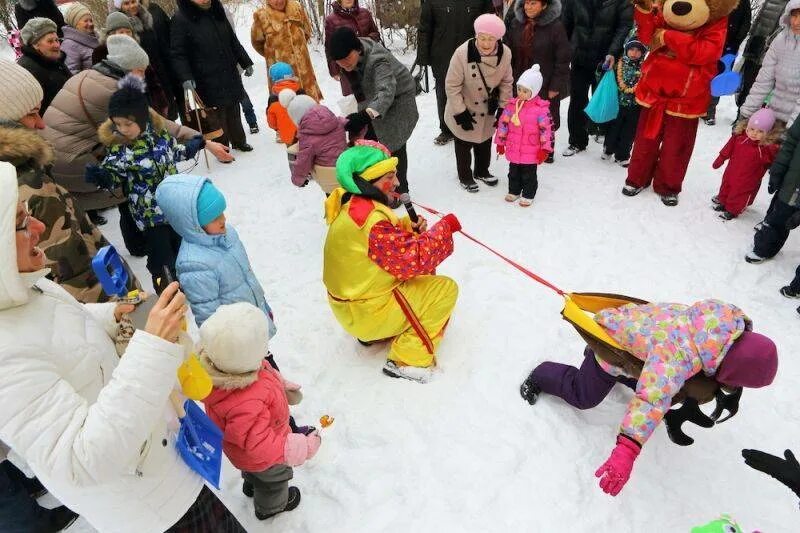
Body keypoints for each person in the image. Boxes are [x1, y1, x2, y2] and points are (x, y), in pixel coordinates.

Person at [0, 162, 247, 533]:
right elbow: (80, 459)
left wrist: (113, 315)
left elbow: (63, 325)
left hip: (160, 461)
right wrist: (153, 346)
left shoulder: (22, 288)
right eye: (20, 222)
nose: (38, 228)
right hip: (150, 506)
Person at [520, 299, 778, 496]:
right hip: (612, 349)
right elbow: (651, 400)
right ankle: (543, 375)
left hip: (638, 331)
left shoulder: (723, 321)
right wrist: (627, 450)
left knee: (673, 386)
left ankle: (633, 370)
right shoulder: (676, 357)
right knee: (583, 395)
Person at [42, 35, 231, 246]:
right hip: (74, 163)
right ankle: (142, 242)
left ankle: (137, 241)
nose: (143, 77)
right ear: (126, 67)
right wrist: (203, 140)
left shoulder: (91, 74)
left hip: (53, 157)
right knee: (134, 176)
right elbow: (158, 123)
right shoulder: (114, 90)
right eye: (140, 71)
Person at [0, 57, 139, 304]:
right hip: (105, 306)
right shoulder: (28, 186)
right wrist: (123, 312)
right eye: (32, 115)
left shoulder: (22, 172)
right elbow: (73, 274)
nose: (42, 124)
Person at [322, 142, 460, 383]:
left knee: (423, 279)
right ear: (369, 180)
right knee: (445, 289)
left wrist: (407, 227)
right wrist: (445, 228)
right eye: (389, 176)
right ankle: (408, 359)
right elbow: (415, 259)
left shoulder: (352, 203)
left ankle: (375, 334)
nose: (396, 183)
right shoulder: (371, 221)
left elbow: (377, 243)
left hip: (353, 308)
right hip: (367, 312)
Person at [199, 303, 320, 520]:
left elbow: (264, 371)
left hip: (242, 451)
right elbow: (259, 448)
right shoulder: (245, 401)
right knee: (274, 480)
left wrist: (280, 385)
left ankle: (252, 485)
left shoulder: (226, 369)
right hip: (263, 455)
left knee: (255, 472)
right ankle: (270, 506)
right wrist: (301, 447)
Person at [86, 75, 206, 292]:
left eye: (128, 123)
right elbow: (113, 173)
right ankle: (167, 292)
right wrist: (103, 177)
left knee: (181, 248)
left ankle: (187, 283)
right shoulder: (121, 149)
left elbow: (172, 153)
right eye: (118, 124)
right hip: (150, 217)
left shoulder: (160, 136)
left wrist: (190, 148)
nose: (123, 129)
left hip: (173, 207)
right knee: (161, 259)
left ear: (142, 119)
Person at [156, 175, 278, 335]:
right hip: (236, 338)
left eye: (222, 213)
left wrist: (262, 307)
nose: (223, 219)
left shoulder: (228, 234)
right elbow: (209, 320)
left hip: (254, 320)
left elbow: (246, 277)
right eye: (214, 218)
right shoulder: (193, 265)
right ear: (193, 225)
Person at [329, 27, 419, 201]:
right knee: (369, 140)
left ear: (357, 49)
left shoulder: (378, 60)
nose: (345, 64)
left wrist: (364, 115)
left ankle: (399, 190)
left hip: (398, 99)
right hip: (374, 99)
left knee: (394, 143)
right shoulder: (353, 57)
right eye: (340, 62)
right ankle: (375, 182)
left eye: (347, 59)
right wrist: (362, 115)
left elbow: (386, 91)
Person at [172, 0, 254, 151]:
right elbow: (178, 53)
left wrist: (245, 61)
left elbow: (232, 40)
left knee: (233, 107)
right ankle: (221, 148)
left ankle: (239, 141)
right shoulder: (181, 18)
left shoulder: (216, 9)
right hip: (204, 75)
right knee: (216, 114)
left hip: (228, 70)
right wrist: (185, 77)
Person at [444, 14, 513, 192]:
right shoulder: (462, 53)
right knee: (463, 143)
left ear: (498, 39)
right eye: (482, 38)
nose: (486, 43)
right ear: (476, 36)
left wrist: (504, 107)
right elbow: (452, 85)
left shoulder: (505, 54)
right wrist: (460, 112)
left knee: (484, 141)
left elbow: (507, 82)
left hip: (488, 106)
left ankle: (482, 171)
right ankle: (465, 176)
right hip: (464, 105)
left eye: (491, 39)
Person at [417, 0, 494, 146]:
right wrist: (423, 57)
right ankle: (446, 129)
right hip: (442, 54)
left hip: (472, 54)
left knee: (474, 92)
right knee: (444, 92)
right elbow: (425, 28)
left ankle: (473, 125)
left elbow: (489, 25)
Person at [561, 0, 632, 157]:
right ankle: (577, 140)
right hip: (579, 56)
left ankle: (602, 132)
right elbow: (566, 23)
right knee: (577, 98)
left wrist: (613, 51)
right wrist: (566, 50)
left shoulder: (622, 3)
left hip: (605, 59)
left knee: (603, 97)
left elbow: (623, 28)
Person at [503, 0, 570, 164]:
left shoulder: (556, 27)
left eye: (533, 3)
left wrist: (555, 85)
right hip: (520, 82)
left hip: (546, 82)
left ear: (544, 5)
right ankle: (526, 146)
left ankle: (547, 149)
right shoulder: (516, 23)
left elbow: (563, 59)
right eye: (526, 3)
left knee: (547, 117)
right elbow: (507, 51)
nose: (528, 7)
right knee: (524, 115)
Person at [744, 112, 800, 264]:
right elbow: (790, 143)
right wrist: (777, 171)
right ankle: (764, 248)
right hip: (793, 181)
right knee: (779, 215)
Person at [109, 0, 178, 120]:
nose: (131, 6)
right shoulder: (121, 27)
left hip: (161, 77)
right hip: (143, 84)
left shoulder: (149, 17)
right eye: (126, 3)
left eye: (133, 1)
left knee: (169, 118)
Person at [494, 65, 552, 206]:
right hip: (514, 147)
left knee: (529, 174)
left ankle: (528, 193)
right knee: (513, 172)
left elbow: (546, 130)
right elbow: (503, 124)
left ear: (534, 91)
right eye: (519, 89)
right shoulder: (512, 106)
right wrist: (500, 143)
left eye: (525, 91)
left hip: (531, 150)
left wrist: (545, 149)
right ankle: (514, 191)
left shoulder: (540, 110)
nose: (520, 93)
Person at [711, 108, 781, 220]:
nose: (754, 133)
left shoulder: (766, 148)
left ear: (768, 133)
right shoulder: (739, 138)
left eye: (760, 131)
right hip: (731, 171)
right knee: (726, 186)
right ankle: (723, 202)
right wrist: (721, 158)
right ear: (747, 127)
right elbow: (728, 148)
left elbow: (771, 162)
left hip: (749, 178)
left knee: (740, 193)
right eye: (752, 129)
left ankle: (733, 210)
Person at [739, 1, 800, 128]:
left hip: (795, 124)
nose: (796, 22)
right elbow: (764, 81)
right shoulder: (780, 40)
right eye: (794, 16)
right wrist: (745, 115)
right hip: (773, 116)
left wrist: (791, 130)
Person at [251, 0, 322, 102]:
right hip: (281, 77)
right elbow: (257, 43)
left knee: (311, 109)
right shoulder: (261, 16)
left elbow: (307, 31)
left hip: (305, 73)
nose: (279, 1)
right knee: (286, 110)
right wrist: (275, 54)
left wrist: (299, 50)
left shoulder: (296, 8)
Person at [284, 91, 347, 194]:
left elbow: (303, 162)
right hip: (348, 166)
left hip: (330, 177)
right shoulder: (335, 120)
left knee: (335, 201)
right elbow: (350, 123)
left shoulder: (307, 137)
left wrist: (298, 180)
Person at [704, 0, 751, 125]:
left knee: (719, 78)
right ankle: (696, 107)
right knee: (703, 74)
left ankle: (709, 112)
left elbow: (746, 23)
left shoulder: (742, 2)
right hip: (709, 42)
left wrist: (735, 42)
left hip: (729, 46)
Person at [737, 0, 791, 108]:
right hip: (756, 45)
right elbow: (758, 20)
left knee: (762, 87)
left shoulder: (793, 5)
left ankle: (754, 118)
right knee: (747, 83)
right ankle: (741, 115)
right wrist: (751, 38)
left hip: (773, 51)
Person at [602, 39, 646, 167]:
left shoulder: (645, 67)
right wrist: (603, 68)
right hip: (618, 103)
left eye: (638, 51)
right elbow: (605, 76)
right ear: (626, 50)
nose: (634, 53)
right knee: (613, 128)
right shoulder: (618, 64)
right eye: (632, 49)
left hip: (635, 106)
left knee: (629, 132)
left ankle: (623, 155)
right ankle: (608, 148)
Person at [324, 0, 381, 97]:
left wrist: (362, 42)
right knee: (357, 101)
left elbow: (376, 34)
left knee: (377, 97)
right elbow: (329, 47)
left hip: (369, 63)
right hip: (348, 69)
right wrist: (334, 69)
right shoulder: (331, 20)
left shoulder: (365, 13)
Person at [17, 17, 72, 115]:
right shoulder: (29, 71)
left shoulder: (53, 60)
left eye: (57, 40)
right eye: (50, 41)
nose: (57, 45)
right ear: (35, 45)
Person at [267, 62, 305, 145]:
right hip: (305, 132)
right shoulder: (301, 92)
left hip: (287, 136)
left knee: (293, 154)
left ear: (274, 79)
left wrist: (277, 129)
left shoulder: (273, 99)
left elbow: (272, 122)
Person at [60, 2, 99, 74]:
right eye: (86, 21)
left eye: (91, 20)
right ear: (75, 23)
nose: (90, 24)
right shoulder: (69, 45)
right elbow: (71, 72)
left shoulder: (97, 38)